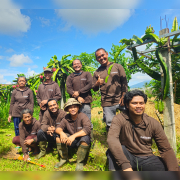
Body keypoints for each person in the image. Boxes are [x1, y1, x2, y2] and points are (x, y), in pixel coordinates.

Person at [106, 89, 179, 171]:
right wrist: (125, 166)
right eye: (134, 103)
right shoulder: (119, 119)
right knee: (113, 150)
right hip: (127, 156)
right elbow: (112, 139)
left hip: (147, 159)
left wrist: (174, 171)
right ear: (127, 105)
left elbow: (166, 149)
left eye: (141, 103)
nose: (138, 106)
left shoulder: (153, 123)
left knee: (172, 168)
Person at [92, 48, 128, 132]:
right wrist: (97, 83)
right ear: (97, 59)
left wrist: (123, 96)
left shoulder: (117, 66)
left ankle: (127, 140)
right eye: (98, 57)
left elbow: (124, 82)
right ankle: (113, 142)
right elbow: (94, 89)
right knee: (110, 124)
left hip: (120, 99)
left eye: (102, 55)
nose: (101, 58)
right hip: (107, 102)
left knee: (127, 121)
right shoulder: (97, 72)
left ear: (107, 54)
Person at [55, 98, 91, 171]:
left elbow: (87, 129)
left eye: (74, 107)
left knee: (85, 139)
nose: (73, 109)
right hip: (70, 141)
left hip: (81, 139)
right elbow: (58, 128)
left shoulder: (83, 116)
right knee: (58, 137)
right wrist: (61, 133)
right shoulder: (66, 117)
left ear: (78, 107)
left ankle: (79, 162)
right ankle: (63, 158)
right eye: (70, 107)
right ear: (68, 109)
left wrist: (74, 136)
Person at [66, 59, 93, 129]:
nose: (76, 65)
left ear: (81, 65)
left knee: (87, 120)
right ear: (72, 66)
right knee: (75, 121)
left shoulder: (87, 74)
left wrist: (79, 92)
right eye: (74, 64)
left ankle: (89, 137)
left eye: (78, 63)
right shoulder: (70, 77)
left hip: (85, 101)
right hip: (74, 103)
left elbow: (90, 84)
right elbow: (68, 89)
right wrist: (77, 97)